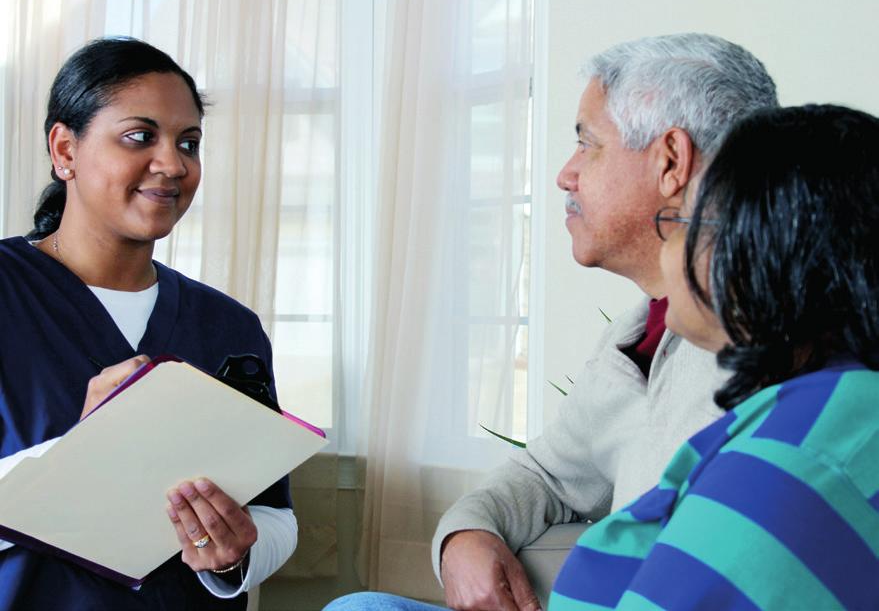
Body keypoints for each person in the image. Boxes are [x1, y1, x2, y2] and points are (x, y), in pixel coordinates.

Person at [324, 33, 778, 611]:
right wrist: (467, 535)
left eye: (587, 144)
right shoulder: (636, 333)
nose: (566, 174)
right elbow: (545, 472)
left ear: (670, 162)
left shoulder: (768, 353)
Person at [0, 37, 295, 610]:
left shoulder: (228, 327)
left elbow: (276, 517)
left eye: (189, 143)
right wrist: (74, 457)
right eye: (140, 137)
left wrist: (235, 555)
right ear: (65, 150)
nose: (173, 164)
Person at [550, 103, 879, 609]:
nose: (668, 245)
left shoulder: (795, 458)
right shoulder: (824, 410)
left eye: (683, 220)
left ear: (762, 246)